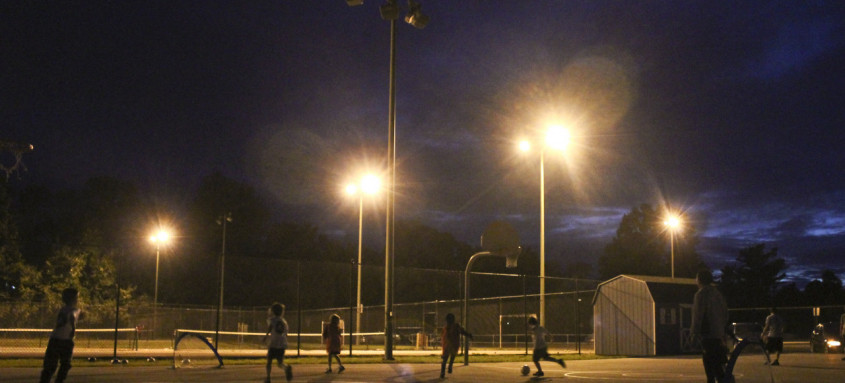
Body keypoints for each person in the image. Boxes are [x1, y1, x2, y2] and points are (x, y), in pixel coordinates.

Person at [691, 269, 729, 383]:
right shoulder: (717, 294)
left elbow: (698, 315)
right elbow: (725, 313)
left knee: (709, 366)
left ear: (700, 279)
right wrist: (721, 329)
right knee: (718, 366)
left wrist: (694, 333)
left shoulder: (701, 294)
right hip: (718, 334)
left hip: (707, 334)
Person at [40, 288, 83, 383]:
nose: (77, 300)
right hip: (65, 340)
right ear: (73, 299)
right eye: (77, 297)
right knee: (65, 364)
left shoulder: (63, 309)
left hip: (55, 339)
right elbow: (71, 317)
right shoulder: (73, 310)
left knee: (50, 366)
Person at [263, 302, 292, 383]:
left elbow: (270, 328)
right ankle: (286, 368)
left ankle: (268, 378)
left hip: (273, 343)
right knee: (280, 363)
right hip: (282, 344)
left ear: (273, 311)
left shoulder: (272, 320)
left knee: (269, 361)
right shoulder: (284, 322)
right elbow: (286, 333)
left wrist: (265, 337)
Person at [439, 313, 472, 379]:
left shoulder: (446, 328)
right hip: (453, 345)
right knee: (451, 357)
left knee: (445, 360)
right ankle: (450, 366)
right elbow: (462, 331)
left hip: (448, 345)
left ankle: (443, 372)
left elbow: (443, 338)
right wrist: (468, 335)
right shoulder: (455, 326)